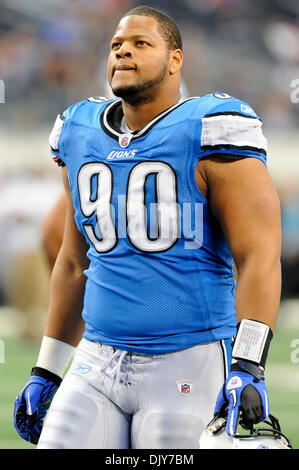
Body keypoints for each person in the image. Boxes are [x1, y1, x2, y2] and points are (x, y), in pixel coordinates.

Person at [14, 6, 281, 449]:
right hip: (97, 358)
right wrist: (46, 368)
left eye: (141, 44)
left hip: (187, 358)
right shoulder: (78, 132)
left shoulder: (211, 128)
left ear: (175, 59)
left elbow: (258, 254)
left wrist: (249, 363)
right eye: (117, 45)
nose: (124, 52)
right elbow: (71, 260)